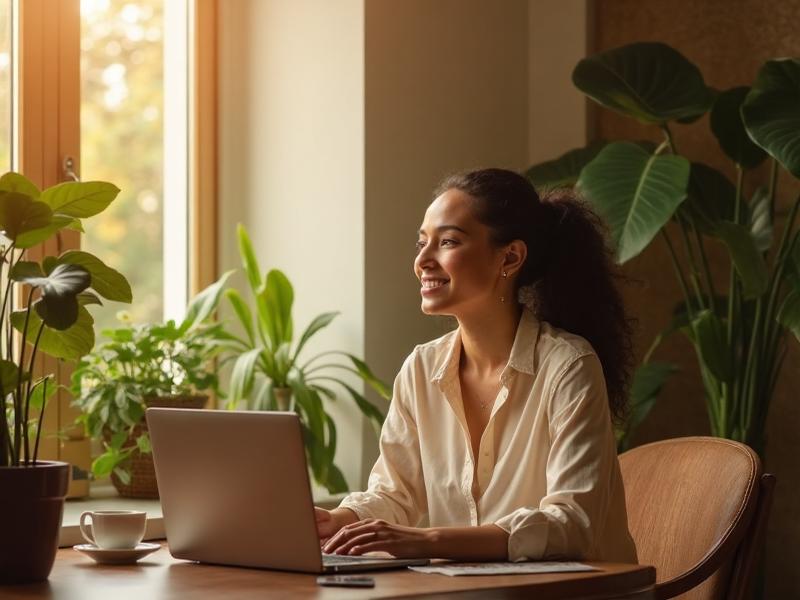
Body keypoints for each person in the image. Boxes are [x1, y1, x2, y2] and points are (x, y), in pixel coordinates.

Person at [316, 168, 637, 563]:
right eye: (421, 243)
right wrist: (334, 520)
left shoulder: (569, 366)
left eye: (447, 241)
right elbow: (394, 495)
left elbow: (572, 524)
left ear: (511, 257)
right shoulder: (421, 369)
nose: (423, 261)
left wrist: (429, 541)